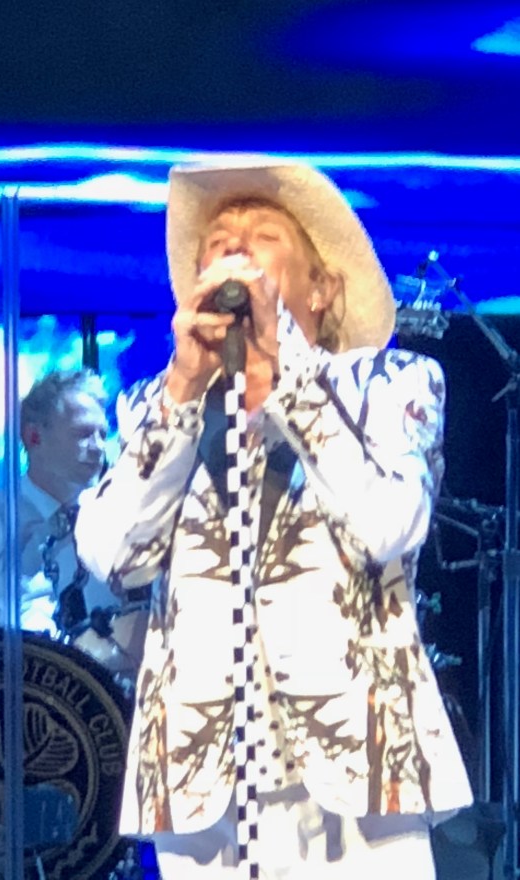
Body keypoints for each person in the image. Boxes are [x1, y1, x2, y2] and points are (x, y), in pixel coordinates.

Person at [74, 160, 474, 880]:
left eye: (262, 235)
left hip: (360, 775)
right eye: (217, 241)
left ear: (320, 289)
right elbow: (112, 556)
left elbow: (389, 525)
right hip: (202, 786)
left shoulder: (392, 385)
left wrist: (287, 381)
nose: (234, 248)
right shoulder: (153, 405)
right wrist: (182, 389)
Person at [0, 368, 119, 643]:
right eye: (82, 434)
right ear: (34, 437)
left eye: (103, 435)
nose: (98, 447)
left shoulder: (117, 524)